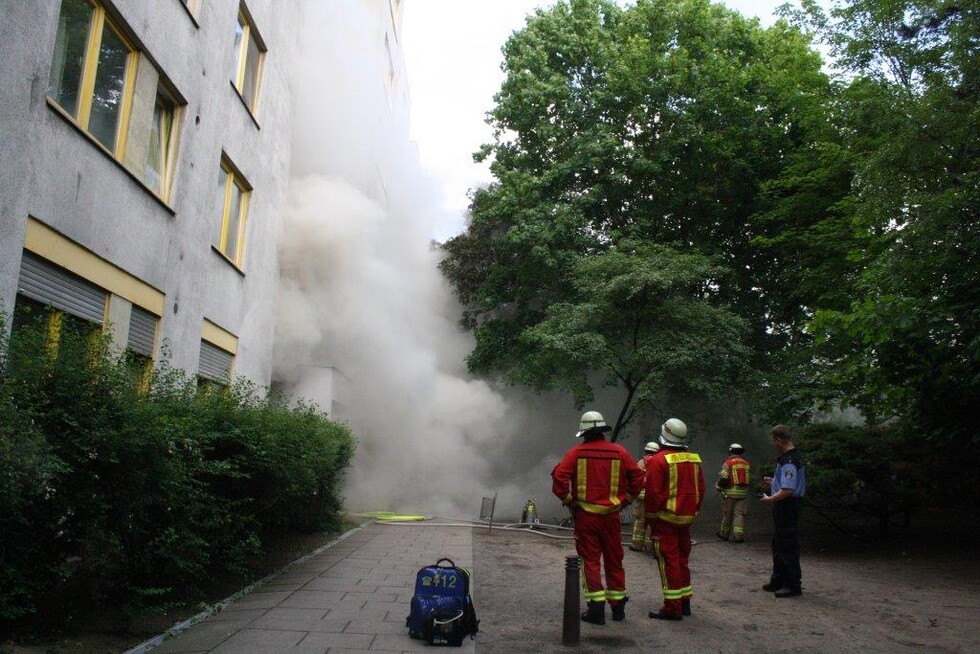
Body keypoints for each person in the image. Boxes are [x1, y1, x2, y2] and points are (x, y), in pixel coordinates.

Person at [552, 411, 644, 625]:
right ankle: (618, 608)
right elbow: (638, 477)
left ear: (584, 433)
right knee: (614, 560)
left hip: (586, 517)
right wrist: (627, 500)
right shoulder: (620, 452)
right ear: (602, 431)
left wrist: (570, 501)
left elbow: (559, 478)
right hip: (612, 516)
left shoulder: (575, 453)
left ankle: (596, 611)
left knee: (591, 561)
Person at [644, 418, 705, 621]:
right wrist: (693, 511)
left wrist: (651, 519)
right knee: (682, 560)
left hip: (665, 521)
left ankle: (672, 608)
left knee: (668, 562)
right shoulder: (694, 459)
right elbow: (701, 490)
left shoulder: (658, 460)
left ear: (665, 434)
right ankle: (685, 602)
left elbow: (653, 494)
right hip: (686, 520)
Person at [760, 424, 806, 598]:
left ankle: (793, 585)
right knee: (778, 542)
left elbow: (788, 490)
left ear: (779, 439)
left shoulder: (789, 461)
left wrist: (769, 499)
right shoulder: (789, 457)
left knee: (787, 544)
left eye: (773, 440)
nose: (772, 443)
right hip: (785, 504)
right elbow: (786, 484)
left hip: (788, 505)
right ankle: (778, 579)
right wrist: (773, 482)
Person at [715, 443, 751, 543]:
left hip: (730, 493)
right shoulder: (746, 463)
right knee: (739, 514)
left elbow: (724, 478)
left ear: (730, 452)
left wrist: (718, 487)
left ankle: (724, 534)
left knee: (727, 514)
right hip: (743, 494)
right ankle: (738, 536)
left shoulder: (728, 463)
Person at [630, 441, 660, 552]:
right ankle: (650, 546)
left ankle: (637, 545)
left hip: (641, 496)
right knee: (652, 521)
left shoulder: (641, 462)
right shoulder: (659, 463)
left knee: (639, 520)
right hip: (654, 497)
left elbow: (635, 479)